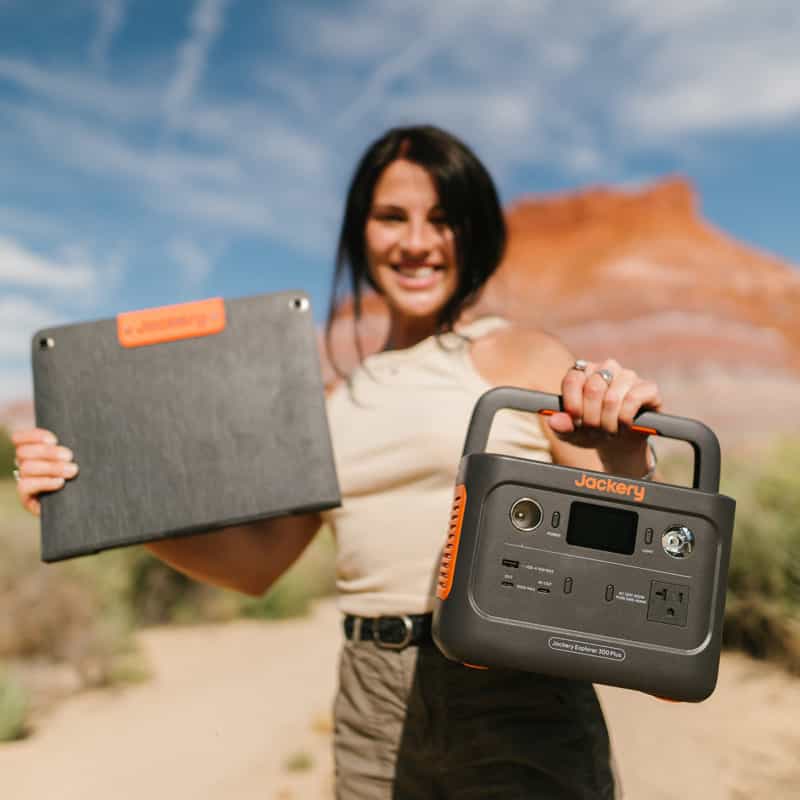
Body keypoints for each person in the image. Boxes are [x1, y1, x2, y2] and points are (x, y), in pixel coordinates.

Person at [13, 124, 662, 799]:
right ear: (360, 233)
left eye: (442, 219)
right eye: (391, 218)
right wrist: (102, 496)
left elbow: (637, 554)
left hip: (518, 694)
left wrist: (626, 457)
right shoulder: (331, 402)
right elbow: (257, 564)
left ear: (473, 233)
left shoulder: (525, 356)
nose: (416, 242)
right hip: (369, 700)